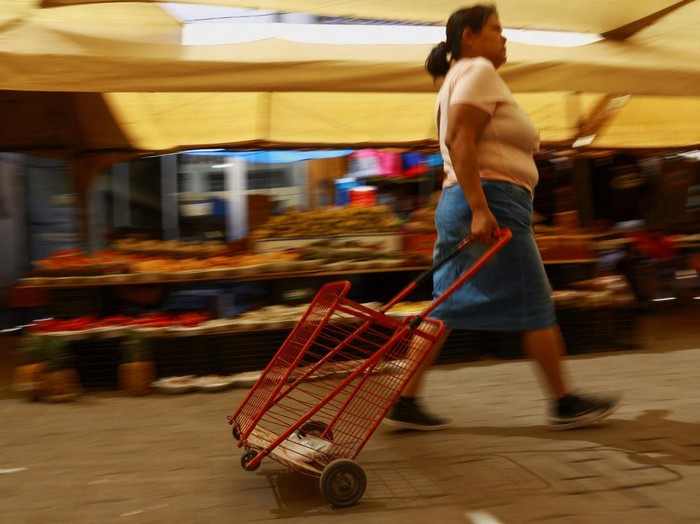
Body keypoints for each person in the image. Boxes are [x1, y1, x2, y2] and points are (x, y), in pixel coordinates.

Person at [384, 4, 621, 431]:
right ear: (469, 38)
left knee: (444, 304)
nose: (504, 38)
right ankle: (564, 402)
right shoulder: (478, 70)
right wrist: (481, 209)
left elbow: (463, 140)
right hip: (491, 199)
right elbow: (460, 138)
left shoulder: (456, 79)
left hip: (465, 198)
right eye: (496, 29)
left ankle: (405, 398)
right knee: (535, 300)